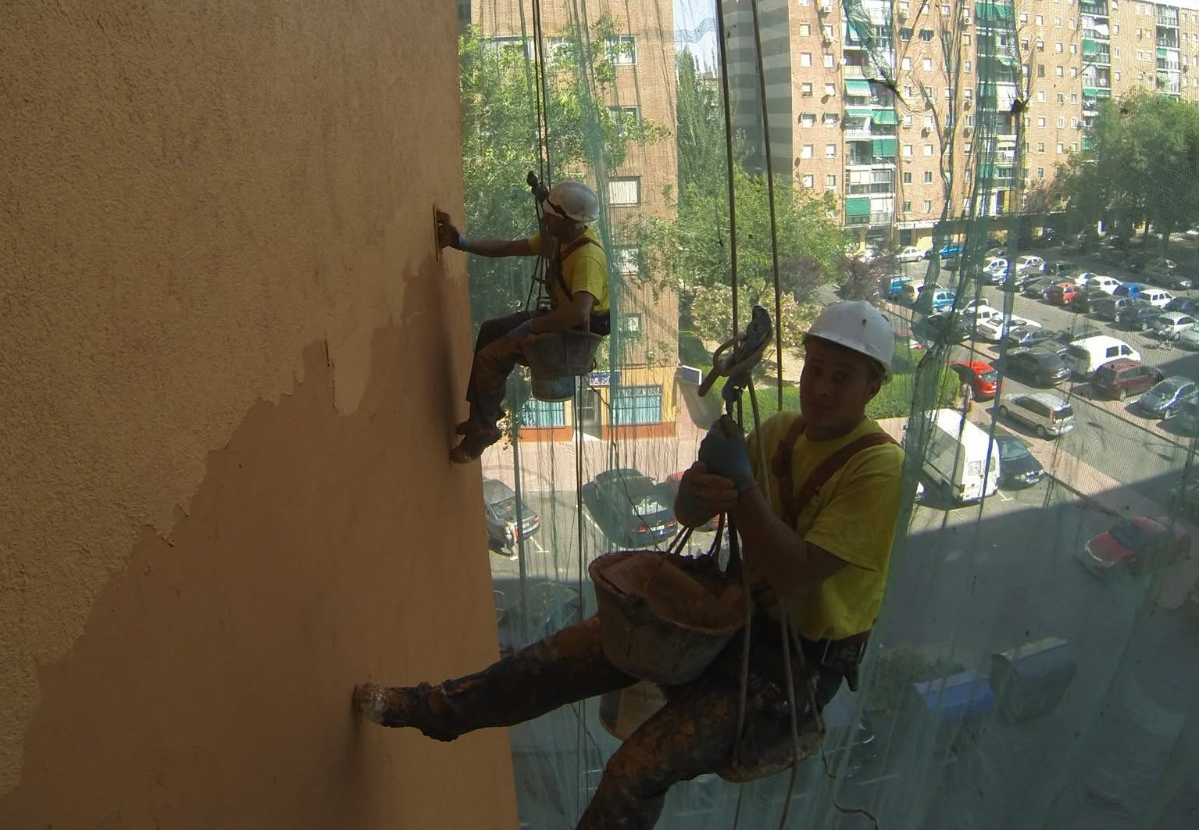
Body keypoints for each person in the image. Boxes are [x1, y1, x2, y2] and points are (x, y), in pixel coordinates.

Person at [353, 301, 905, 829]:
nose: (822, 388)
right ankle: (433, 709)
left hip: (793, 664)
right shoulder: (781, 431)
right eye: (816, 369)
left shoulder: (876, 468)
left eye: (842, 377)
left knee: (635, 773)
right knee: (551, 661)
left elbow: (796, 574)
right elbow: (690, 514)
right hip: (734, 612)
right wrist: (699, 488)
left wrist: (742, 486)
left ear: (872, 388)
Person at [436, 179, 609, 464]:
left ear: (569, 221)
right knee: (491, 331)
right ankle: (483, 415)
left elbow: (579, 313)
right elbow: (508, 247)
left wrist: (530, 327)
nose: (545, 218)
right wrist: (461, 243)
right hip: (561, 320)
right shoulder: (559, 241)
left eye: (550, 215)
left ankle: (482, 433)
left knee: (492, 357)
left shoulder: (588, 257)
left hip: (575, 336)